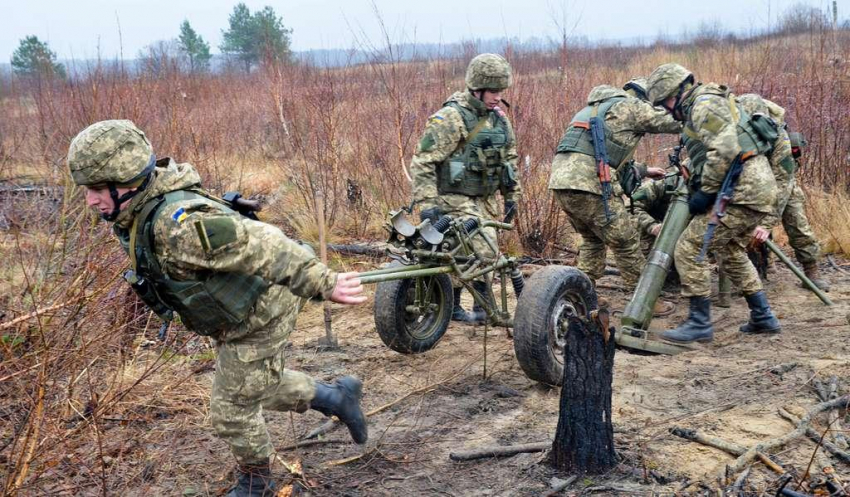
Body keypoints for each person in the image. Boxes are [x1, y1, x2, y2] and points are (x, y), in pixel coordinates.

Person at [67, 120, 369, 497]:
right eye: (87, 190)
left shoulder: (176, 226)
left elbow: (264, 243)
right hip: (236, 313)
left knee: (230, 409)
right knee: (254, 385)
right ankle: (337, 397)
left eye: (97, 190)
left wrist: (323, 282)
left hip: (262, 309)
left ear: (126, 180)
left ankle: (257, 482)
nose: (91, 201)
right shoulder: (137, 209)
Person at [646, 63, 781, 344]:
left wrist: (706, 192)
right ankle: (763, 315)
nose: (668, 109)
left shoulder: (703, 105)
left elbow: (725, 148)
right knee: (731, 251)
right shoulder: (704, 103)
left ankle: (699, 322)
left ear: (678, 92)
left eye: (666, 102)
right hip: (754, 189)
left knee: (687, 248)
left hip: (742, 190)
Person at [409, 53, 522, 323]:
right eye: (493, 91)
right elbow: (423, 161)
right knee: (483, 249)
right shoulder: (451, 118)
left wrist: (512, 197)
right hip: (452, 197)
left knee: (471, 253)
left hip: (484, 198)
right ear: (476, 88)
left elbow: (509, 159)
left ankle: (473, 308)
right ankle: (463, 307)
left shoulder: (499, 120)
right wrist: (428, 205)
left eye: (500, 91)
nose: (498, 97)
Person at [548, 79, 681, 300]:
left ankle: (579, 294)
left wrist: (645, 170)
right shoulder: (630, 105)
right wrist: (698, 113)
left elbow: (601, 152)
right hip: (590, 185)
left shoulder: (595, 109)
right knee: (626, 240)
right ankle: (644, 302)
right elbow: (669, 122)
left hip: (562, 184)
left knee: (593, 240)